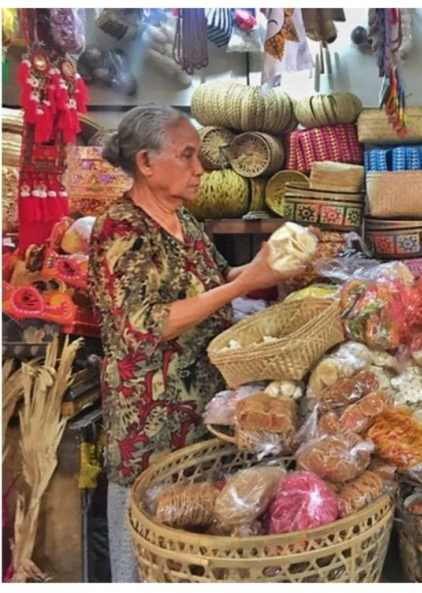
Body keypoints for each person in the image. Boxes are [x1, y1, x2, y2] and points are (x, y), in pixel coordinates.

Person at [88, 104, 301, 582]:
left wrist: (264, 267)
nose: (200, 167)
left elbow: (209, 284)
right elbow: (146, 323)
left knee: (191, 548)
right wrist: (242, 286)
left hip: (199, 414)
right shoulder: (121, 230)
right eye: (186, 155)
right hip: (151, 424)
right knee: (145, 553)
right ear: (145, 162)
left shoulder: (184, 223)